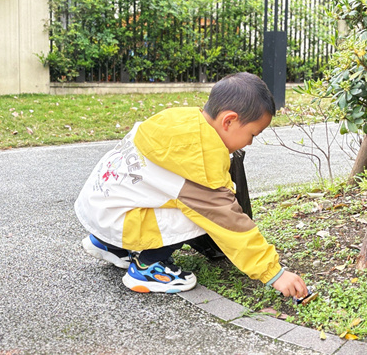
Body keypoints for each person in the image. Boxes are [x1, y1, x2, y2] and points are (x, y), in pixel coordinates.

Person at [74, 72, 308, 298]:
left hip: (99, 203)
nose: (250, 142)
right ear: (229, 121)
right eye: (253, 134)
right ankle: (147, 267)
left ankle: (108, 244)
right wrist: (274, 273)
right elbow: (228, 220)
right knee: (201, 213)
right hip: (117, 219)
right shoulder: (200, 163)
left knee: (173, 199)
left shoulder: (180, 119)